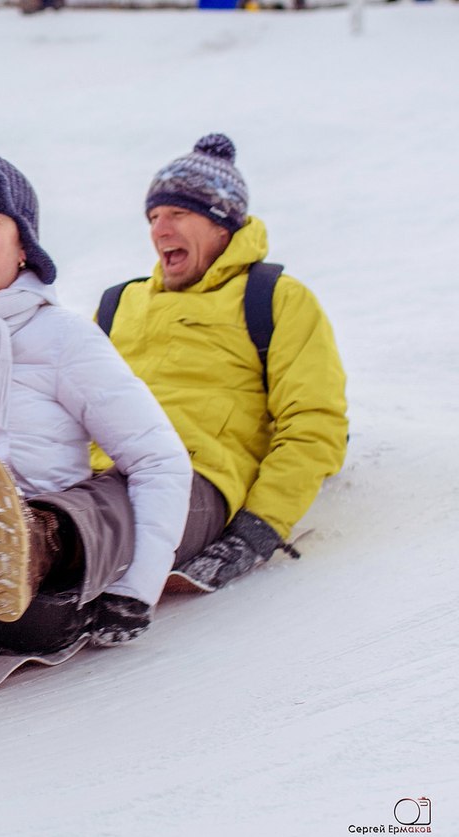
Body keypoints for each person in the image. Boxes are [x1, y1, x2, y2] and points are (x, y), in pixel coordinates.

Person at [0, 155, 193, 652]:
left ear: (22, 250)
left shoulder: (62, 338)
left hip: (32, 579)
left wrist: (134, 589)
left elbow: (156, 458)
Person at [94, 133, 348, 591]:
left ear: (222, 225)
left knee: (99, 518)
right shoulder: (119, 304)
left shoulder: (275, 299)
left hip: (190, 483)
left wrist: (259, 529)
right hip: (90, 478)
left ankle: (35, 542)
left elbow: (313, 423)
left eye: (178, 213)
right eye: (154, 216)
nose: (160, 229)